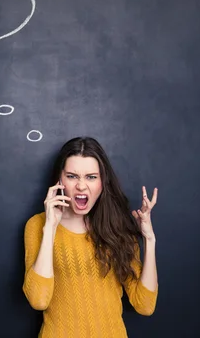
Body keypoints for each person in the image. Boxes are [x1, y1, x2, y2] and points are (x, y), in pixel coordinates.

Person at [23, 137, 158, 338]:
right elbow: (38, 300)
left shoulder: (117, 228)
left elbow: (145, 305)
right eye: (72, 176)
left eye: (91, 177)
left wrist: (149, 239)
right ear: (59, 179)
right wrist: (50, 227)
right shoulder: (37, 225)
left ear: (103, 181)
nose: (81, 186)